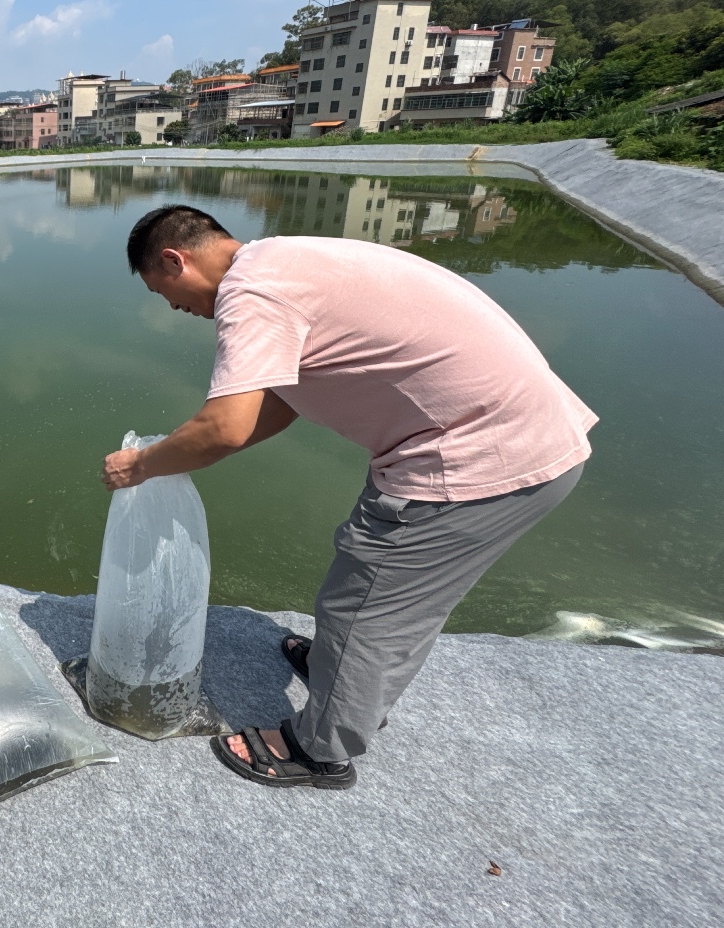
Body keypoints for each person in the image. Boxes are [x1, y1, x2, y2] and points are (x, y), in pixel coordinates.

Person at [103, 205, 595, 791]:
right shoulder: (283, 260)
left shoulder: (251, 294)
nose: (176, 309)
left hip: (476, 457)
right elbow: (279, 403)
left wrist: (142, 465)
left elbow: (226, 427)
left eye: (166, 293)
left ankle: (319, 748)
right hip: (527, 440)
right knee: (389, 591)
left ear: (173, 259)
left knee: (368, 602)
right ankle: (340, 671)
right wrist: (180, 455)